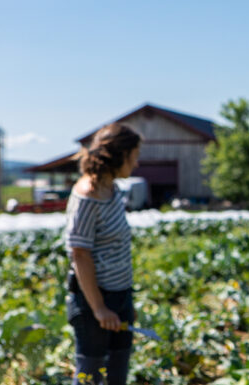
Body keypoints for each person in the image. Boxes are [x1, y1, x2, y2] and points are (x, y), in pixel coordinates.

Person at [65, 122, 142, 385]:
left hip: (120, 296)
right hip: (94, 301)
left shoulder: (113, 189)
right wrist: (99, 308)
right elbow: (79, 254)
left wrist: (125, 303)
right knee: (91, 373)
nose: (136, 164)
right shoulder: (88, 195)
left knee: (117, 371)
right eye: (134, 156)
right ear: (120, 155)